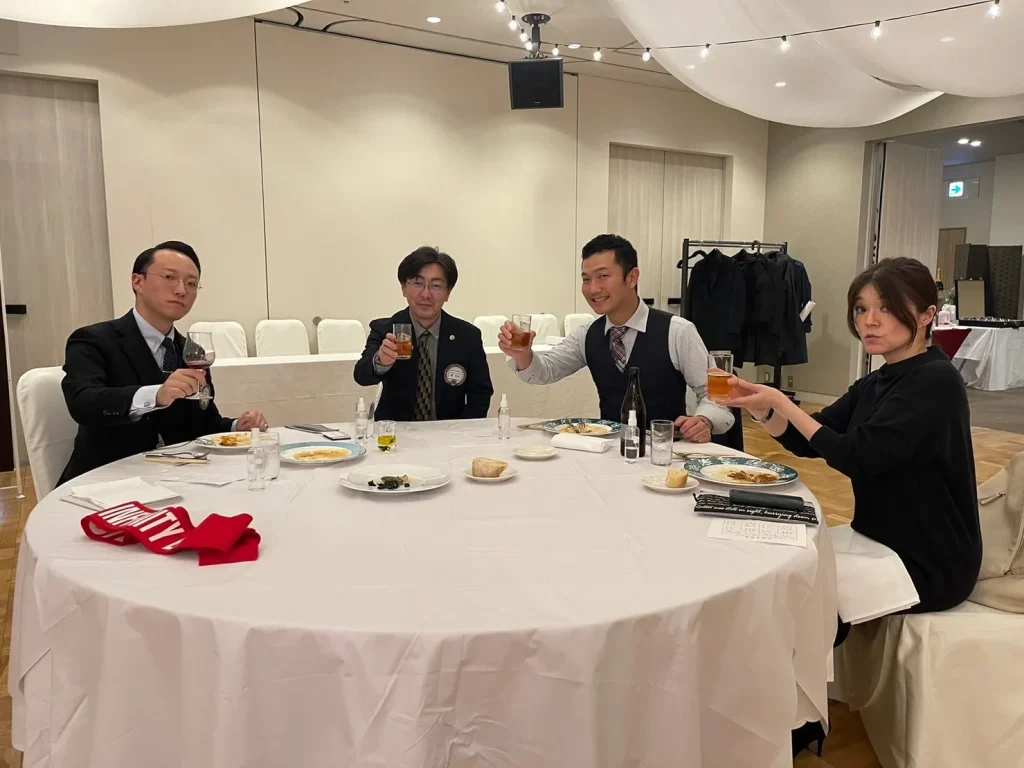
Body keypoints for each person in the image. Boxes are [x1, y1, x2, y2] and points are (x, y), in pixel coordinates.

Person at [725, 257, 981, 615]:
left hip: (928, 561)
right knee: (767, 567)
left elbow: (856, 456)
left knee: (790, 596)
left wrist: (782, 401)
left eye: (887, 308)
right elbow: (808, 441)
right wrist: (762, 410)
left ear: (927, 315)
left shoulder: (936, 381)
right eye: (862, 309)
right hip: (875, 536)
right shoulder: (877, 381)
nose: (869, 321)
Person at [59, 241, 267, 484]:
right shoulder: (93, 340)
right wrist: (156, 395)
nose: (181, 291)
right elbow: (83, 403)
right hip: (106, 481)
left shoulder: (193, 353)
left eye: (191, 284)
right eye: (169, 277)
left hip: (177, 479)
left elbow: (203, 424)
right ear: (138, 282)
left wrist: (236, 427)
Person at [498, 234, 733, 442]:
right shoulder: (587, 334)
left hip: (666, 453)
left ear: (632, 278)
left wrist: (704, 421)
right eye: (586, 279)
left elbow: (716, 396)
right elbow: (545, 371)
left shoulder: (678, 331)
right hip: (608, 453)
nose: (592, 289)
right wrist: (523, 354)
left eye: (602, 276)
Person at [354, 246, 493, 421]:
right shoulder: (386, 329)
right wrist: (381, 361)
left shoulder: (467, 336)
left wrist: (462, 431)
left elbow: (480, 393)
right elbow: (361, 376)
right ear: (404, 288)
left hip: (449, 432)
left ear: (448, 292)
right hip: (397, 432)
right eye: (417, 283)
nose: (425, 294)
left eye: (436, 286)